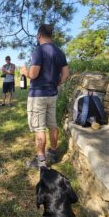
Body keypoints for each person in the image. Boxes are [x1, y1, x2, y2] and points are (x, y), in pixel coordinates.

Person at [20, 25, 69, 168]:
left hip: (38, 95)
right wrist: (56, 83)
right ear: (51, 35)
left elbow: (33, 74)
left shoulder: (38, 50)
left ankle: (41, 161)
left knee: (39, 128)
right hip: (52, 94)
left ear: (39, 35)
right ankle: (53, 153)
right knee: (52, 125)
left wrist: (25, 71)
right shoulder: (60, 52)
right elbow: (65, 75)